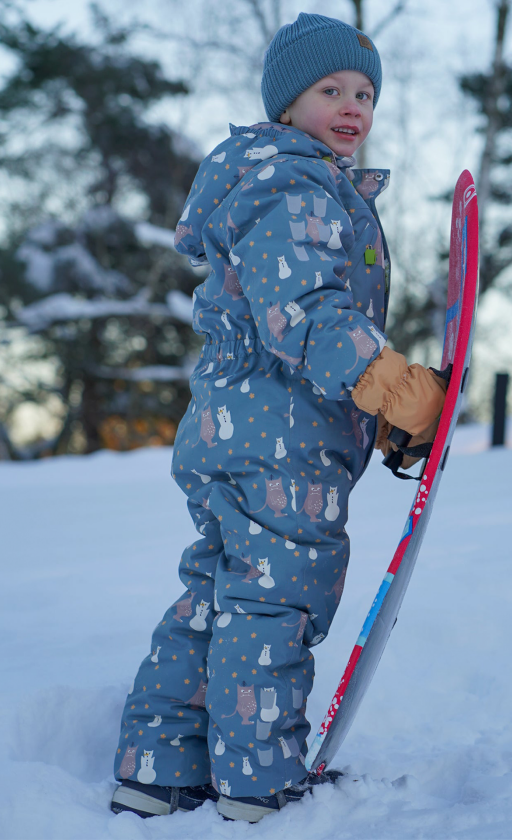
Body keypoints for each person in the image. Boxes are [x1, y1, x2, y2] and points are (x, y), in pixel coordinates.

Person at [110, 11, 446, 824]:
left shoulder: (286, 181)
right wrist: (389, 385)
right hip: (281, 439)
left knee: (217, 595)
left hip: (241, 429)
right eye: (330, 88)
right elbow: (302, 308)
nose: (352, 105)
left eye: (364, 92)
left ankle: (155, 769)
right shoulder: (289, 182)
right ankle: (259, 789)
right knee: (274, 605)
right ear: (285, 102)